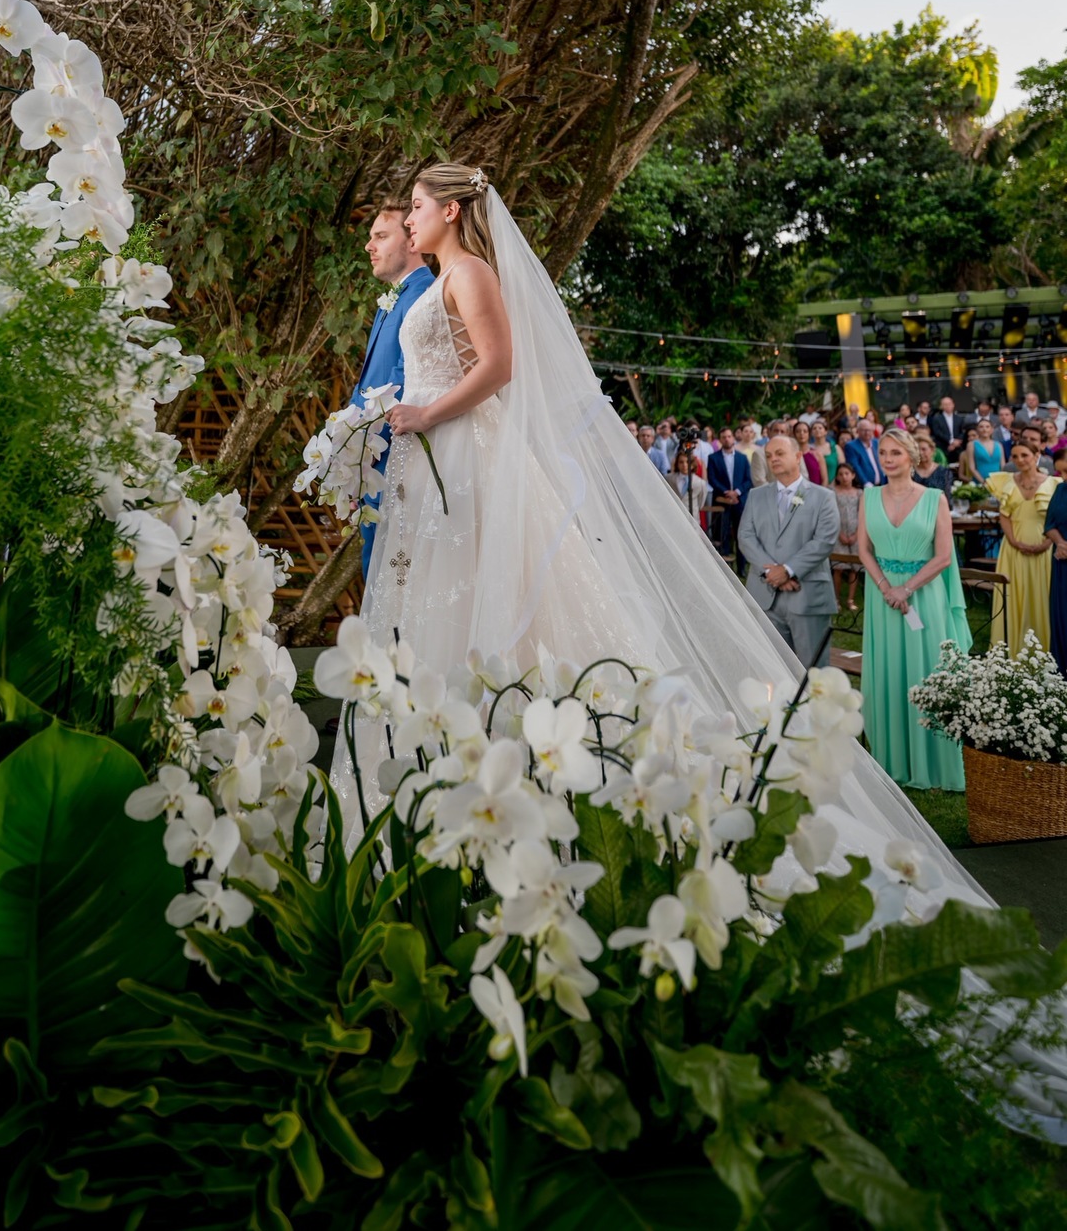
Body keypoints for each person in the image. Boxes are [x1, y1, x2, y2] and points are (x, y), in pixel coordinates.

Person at [335, 161, 1038, 969]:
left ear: (453, 210)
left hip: (465, 452)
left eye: (417, 206)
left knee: (506, 611)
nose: (408, 218)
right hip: (434, 467)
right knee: (434, 612)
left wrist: (425, 410)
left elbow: (499, 366)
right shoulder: (433, 282)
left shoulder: (470, 274)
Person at [858, 428, 973, 790]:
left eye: (895, 453)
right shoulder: (868, 497)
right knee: (889, 670)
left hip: (924, 597)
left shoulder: (934, 498)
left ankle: (933, 761)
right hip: (883, 599)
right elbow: (864, 550)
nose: (888, 459)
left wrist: (906, 588)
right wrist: (887, 589)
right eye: (883, 453)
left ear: (912, 456)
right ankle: (892, 758)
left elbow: (943, 557)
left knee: (927, 671)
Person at [350, 202, 436, 576]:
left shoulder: (422, 295)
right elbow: (370, 382)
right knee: (375, 573)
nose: (369, 246)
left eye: (381, 236)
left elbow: (405, 381)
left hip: (394, 459)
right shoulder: (394, 297)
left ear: (411, 241)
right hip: (372, 461)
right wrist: (348, 454)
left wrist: (364, 451)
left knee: (392, 576)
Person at [737, 435, 840, 668]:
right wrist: (771, 573)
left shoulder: (823, 497)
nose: (773, 459)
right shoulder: (756, 495)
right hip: (765, 595)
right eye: (769, 455)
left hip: (807, 595)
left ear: (797, 456)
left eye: (780, 453)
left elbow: (824, 541)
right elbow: (745, 536)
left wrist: (787, 570)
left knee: (812, 673)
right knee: (770, 670)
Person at [986, 442, 1059, 656]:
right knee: (1013, 596)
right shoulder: (1006, 481)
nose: (1019, 460)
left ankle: (1045, 651)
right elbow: (1004, 516)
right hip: (1013, 549)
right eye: (1015, 456)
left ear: (1037, 455)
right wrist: (1014, 542)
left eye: (1024, 455)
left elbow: (1058, 517)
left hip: (1045, 548)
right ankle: (1012, 649)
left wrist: (1047, 543)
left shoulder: (1054, 483)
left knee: (1043, 595)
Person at [706, 426, 752, 561]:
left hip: (740, 501)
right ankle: (724, 564)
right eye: (723, 437)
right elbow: (712, 478)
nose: (727, 439)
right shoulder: (713, 458)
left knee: (741, 534)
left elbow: (749, 479)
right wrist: (726, 492)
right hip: (721, 501)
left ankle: (742, 566)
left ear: (733, 438)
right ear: (720, 440)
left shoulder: (742, 458)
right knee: (723, 533)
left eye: (729, 436)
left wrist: (737, 492)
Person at [1044, 446, 1067, 677]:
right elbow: (1049, 524)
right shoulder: (1060, 489)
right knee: (1061, 616)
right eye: (1061, 472)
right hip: (1062, 563)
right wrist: (1060, 543)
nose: (1065, 477)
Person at [832, 462, 861, 611]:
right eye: (841, 474)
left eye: (847, 474)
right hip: (839, 533)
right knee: (839, 567)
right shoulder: (832, 492)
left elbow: (862, 514)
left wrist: (857, 534)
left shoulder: (859, 493)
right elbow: (831, 514)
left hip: (856, 533)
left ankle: (850, 599)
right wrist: (839, 533)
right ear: (837, 477)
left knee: (854, 568)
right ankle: (836, 599)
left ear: (853, 475)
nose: (844, 477)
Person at [959, 415, 1003, 487]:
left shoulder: (999, 445)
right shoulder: (971, 445)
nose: (984, 429)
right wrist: (983, 482)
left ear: (992, 429)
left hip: (997, 482)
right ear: (977, 430)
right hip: (980, 481)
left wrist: (1001, 481)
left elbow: (1003, 465)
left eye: (987, 427)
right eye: (981, 427)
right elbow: (972, 467)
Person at [912, 428, 954, 504]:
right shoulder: (909, 471)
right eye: (917, 450)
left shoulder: (944, 472)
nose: (920, 453)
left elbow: (947, 498)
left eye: (924, 449)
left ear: (932, 450)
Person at [669, 445, 709, 515]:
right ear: (677, 464)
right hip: (674, 515)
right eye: (681, 462)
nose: (684, 465)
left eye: (688, 462)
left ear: (693, 464)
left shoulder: (700, 483)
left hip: (692, 517)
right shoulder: (669, 479)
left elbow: (700, 503)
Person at [928, 395, 968, 463]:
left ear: (953, 405)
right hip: (944, 447)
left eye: (949, 404)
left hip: (958, 447)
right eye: (945, 404)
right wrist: (951, 441)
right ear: (941, 406)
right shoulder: (937, 419)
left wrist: (955, 443)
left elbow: (963, 431)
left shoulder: (959, 418)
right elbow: (937, 432)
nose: (948, 406)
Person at [845, 422, 884, 489]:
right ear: (858, 431)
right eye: (863, 430)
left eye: (869, 430)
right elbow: (855, 466)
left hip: (882, 484)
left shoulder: (876, 443)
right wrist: (865, 482)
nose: (867, 433)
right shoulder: (851, 446)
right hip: (865, 486)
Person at [735, 419, 768, 487]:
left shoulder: (758, 448)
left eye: (751, 432)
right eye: (746, 431)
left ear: (753, 434)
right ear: (741, 433)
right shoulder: (735, 448)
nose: (748, 434)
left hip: (755, 476)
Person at [793, 418, 825, 486]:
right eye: (798, 431)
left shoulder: (817, 454)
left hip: (816, 490)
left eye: (805, 431)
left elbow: (825, 479)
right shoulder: (791, 455)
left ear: (809, 434)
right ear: (794, 434)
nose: (802, 433)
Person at [809, 418, 837, 484]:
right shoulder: (809, 449)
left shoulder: (834, 447)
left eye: (820, 428)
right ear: (811, 433)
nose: (817, 430)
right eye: (814, 428)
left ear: (825, 431)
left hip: (834, 484)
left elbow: (842, 466)